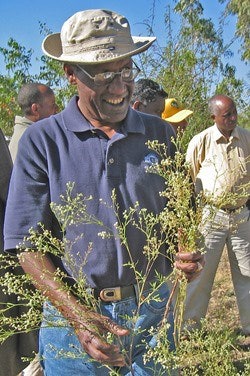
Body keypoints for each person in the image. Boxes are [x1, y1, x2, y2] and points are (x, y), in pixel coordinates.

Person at [4, 9, 204, 375]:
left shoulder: (159, 134)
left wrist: (188, 253)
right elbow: (26, 245)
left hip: (154, 314)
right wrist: (78, 317)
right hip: (74, 322)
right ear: (70, 74)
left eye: (126, 70)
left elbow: (183, 213)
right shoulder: (42, 141)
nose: (119, 87)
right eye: (103, 74)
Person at [183, 94, 250, 345]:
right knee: (201, 273)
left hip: (242, 216)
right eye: (226, 115)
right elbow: (188, 180)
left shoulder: (246, 138)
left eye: (234, 112)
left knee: (247, 272)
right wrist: (190, 219)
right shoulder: (201, 141)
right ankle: (190, 329)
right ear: (213, 117)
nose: (232, 118)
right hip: (211, 216)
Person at [9, 82, 58, 161]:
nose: (57, 109)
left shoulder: (22, 133)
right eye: (52, 105)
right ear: (35, 109)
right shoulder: (32, 139)